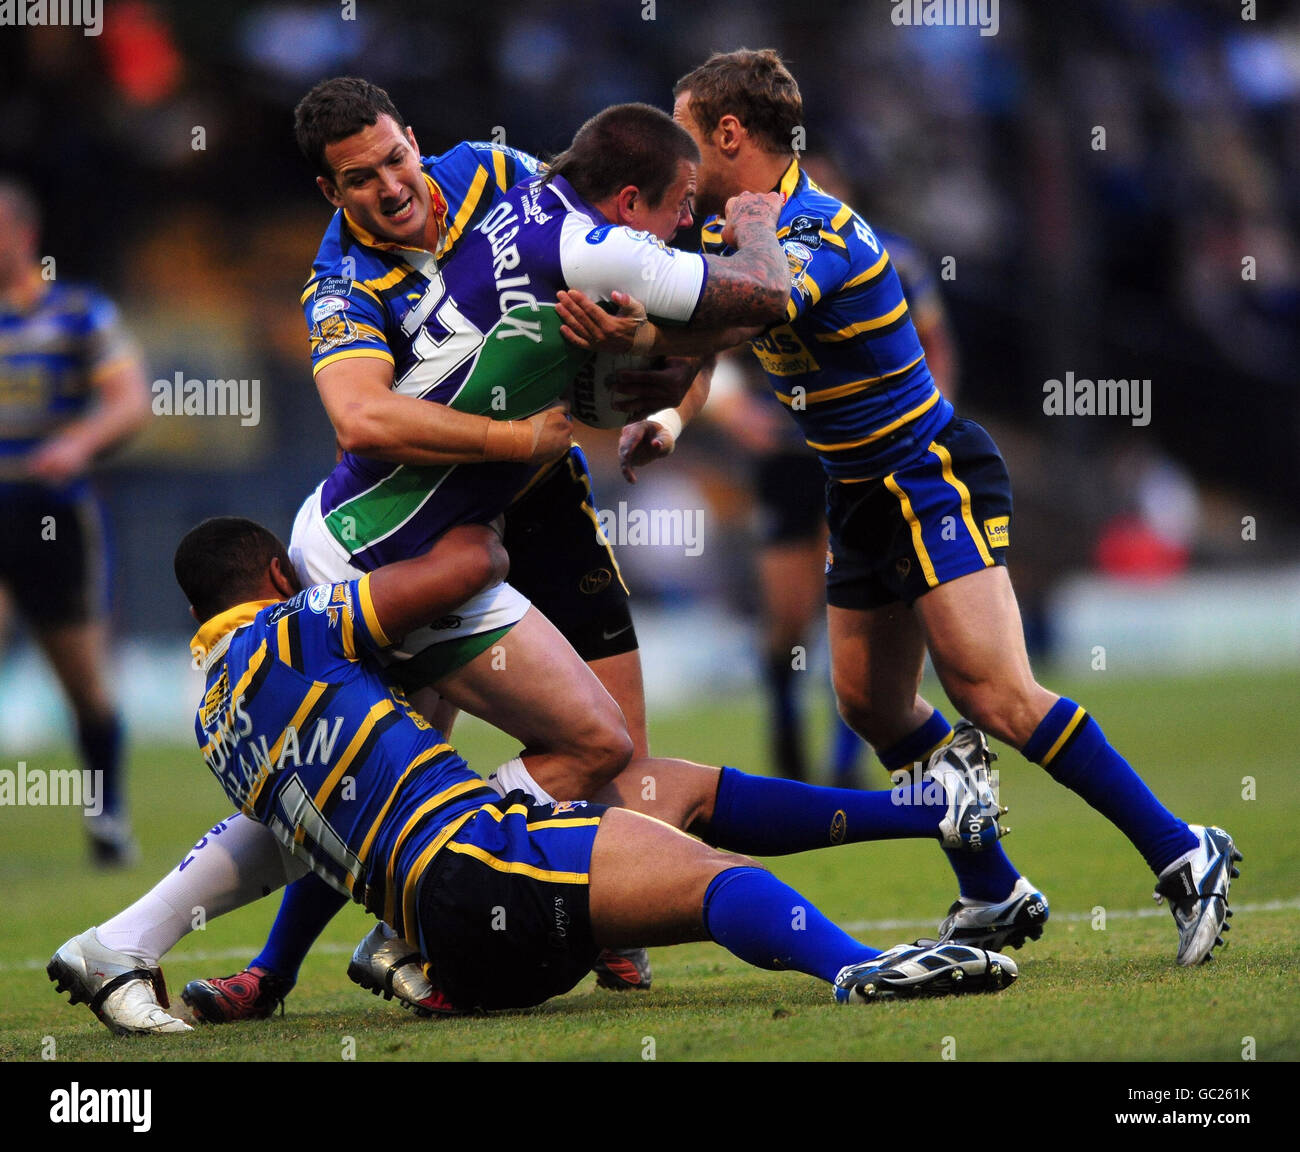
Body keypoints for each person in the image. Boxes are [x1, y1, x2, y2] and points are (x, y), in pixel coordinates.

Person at [68, 86, 792, 1027]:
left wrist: (639, 350)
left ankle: (444, 920)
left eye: (394, 159)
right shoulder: (340, 283)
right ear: (332, 193)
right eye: (358, 180)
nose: (390, 187)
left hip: (536, 506)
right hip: (424, 522)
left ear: (415, 138)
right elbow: (363, 418)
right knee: (401, 771)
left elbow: (625, 320)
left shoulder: (495, 173)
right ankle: (340, 944)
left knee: (598, 753)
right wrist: (516, 440)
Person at [559, 49, 1241, 968]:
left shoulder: (816, 228)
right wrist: (674, 417)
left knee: (991, 690)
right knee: (873, 706)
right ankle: (994, 888)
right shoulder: (735, 231)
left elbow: (756, 305)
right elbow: (717, 335)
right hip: (858, 490)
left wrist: (633, 327)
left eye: (689, 133)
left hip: (928, 472)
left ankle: (1182, 851)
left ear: (729, 133)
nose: (681, 158)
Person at [48, 514, 1018, 1031]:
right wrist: (467, 508)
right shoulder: (297, 626)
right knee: (714, 874)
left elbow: (288, 844)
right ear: (272, 579)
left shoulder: (214, 717)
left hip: (457, 934)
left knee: (659, 786)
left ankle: (929, 811)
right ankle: (859, 971)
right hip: (481, 866)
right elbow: (461, 568)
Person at [0, 177, 151, 866]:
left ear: (24, 234)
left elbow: (128, 401)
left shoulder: (77, 310)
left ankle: (107, 815)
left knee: (83, 682)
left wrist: (78, 445)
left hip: (50, 511)